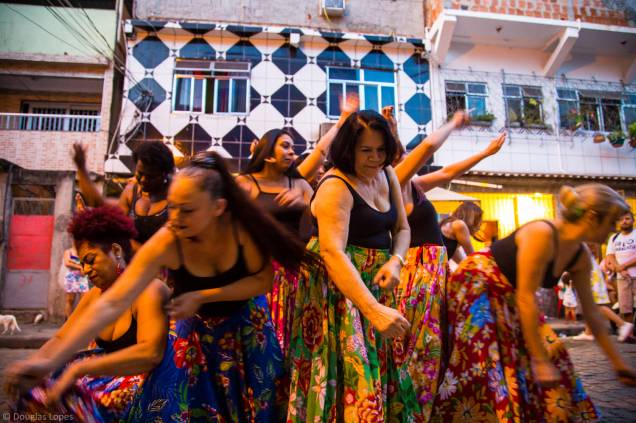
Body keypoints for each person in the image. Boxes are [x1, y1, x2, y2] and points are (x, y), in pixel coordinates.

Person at [6, 152, 315, 422]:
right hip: (196, 333)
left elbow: (262, 281)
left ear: (218, 207)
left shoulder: (240, 232)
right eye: (174, 207)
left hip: (248, 327)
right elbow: (111, 302)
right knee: (192, 406)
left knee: (258, 406)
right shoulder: (169, 241)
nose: (175, 218)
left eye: (188, 210)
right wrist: (48, 361)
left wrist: (203, 296)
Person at [431, 184, 636, 422]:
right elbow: (526, 297)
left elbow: (592, 314)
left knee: (555, 356)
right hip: (478, 282)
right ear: (592, 217)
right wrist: (538, 359)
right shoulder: (542, 233)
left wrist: (618, 363)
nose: (614, 229)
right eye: (611, 223)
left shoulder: (580, 256)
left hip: (512, 293)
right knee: (486, 359)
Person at [286, 110, 421, 421]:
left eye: (381, 150)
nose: (375, 159)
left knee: (377, 366)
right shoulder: (335, 186)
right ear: (348, 149)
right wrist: (372, 309)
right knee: (345, 369)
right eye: (366, 151)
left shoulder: (386, 173)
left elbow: (402, 229)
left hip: (374, 284)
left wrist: (396, 261)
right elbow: (333, 252)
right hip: (339, 290)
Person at [387, 106, 504, 419]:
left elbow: (449, 172)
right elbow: (426, 148)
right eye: (399, 150)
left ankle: (432, 399)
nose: (406, 154)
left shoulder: (413, 183)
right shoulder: (393, 182)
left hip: (433, 270)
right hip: (417, 271)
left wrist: (484, 154)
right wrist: (452, 121)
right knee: (423, 340)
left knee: (435, 337)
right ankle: (413, 405)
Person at [8, 206, 169, 421]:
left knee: (72, 400)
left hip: (147, 387)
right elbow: (62, 338)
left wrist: (79, 370)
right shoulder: (94, 296)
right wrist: (32, 365)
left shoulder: (150, 289)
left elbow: (150, 354)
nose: (85, 270)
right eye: (82, 263)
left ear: (116, 251)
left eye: (90, 260)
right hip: (106, 379)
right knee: (36, 397)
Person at [236, 95, 358, 355]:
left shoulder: (299, 183)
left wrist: (345, 117)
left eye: (293, 148)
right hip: (258, 273)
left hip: (296, 273)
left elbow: (320, 220)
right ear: (267, 155)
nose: (293, 152)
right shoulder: (245, 183)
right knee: (260, 341)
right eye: (286, 146)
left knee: (293, 338)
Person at [72, 141, 175, 248]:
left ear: (164, 174)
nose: (143, 180)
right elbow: (98, 203)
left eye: (150, 176)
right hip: (134, 262)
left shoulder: (175, 197)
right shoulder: (131, 193)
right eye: (140, 173)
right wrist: (81, 168)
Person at [573, 243, 634, 342]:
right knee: (589, 303)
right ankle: (588, 332)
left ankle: (623, 325)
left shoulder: (585, 235)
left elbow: (591, 249)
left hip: (589, 270)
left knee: (596, 304)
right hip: (589, 268)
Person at [606, 211, 636, 325]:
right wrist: (619, 269)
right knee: (625, 308)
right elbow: (610, 256)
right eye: (621, 219)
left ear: (633, 221)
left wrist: (623, 266)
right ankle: (630, 334)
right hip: (621, 278)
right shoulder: (614, 238)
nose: (624, 221)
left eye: (627, 218)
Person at [62, 246, 90, 319]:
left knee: (84, 301)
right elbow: (67, 263)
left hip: (82, 278)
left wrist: (74, 263)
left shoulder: (84, 252)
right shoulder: (68, 252)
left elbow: (87, 263)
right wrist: (80, 267)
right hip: (71, 277)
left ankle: (80, 321)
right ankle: (68, 321)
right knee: (70, 300)